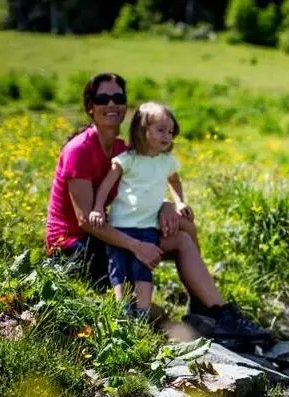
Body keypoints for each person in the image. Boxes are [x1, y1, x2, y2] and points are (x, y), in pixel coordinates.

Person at [45, 73, 270, 341]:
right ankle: (192, 313)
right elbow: (85, 221)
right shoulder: (79, 150)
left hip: (112, 233)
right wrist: (138, 246)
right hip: (76, 248)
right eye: (103, 98)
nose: (112, 104)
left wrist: (165, 205)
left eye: (118, 98)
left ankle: (213, 310)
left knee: (183, 229)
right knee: (172, 256)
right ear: (90, 106)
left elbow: (137, 192)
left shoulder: (120, 149)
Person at [87, 102, 185, 320]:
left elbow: (175, 182)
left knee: (143, 270)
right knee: (119, 268)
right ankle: (122, 312)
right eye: (160, 130)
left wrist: (178, 203)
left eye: (170, 131)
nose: (167, 136)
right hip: (121, 226)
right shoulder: (127, 159)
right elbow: (105, 185)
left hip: (148, 226)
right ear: (143, 130)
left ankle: (142, 314)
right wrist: (97, 209)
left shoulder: (167, 161)